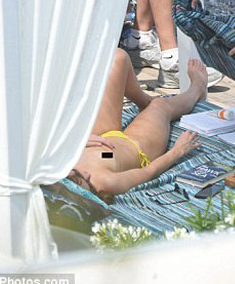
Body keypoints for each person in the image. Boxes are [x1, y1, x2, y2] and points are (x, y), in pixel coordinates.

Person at [68, 48, 207, 203]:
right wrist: (178, 150)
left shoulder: (56, 169)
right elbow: (149, 172)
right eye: (82, 182)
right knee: (160, 106)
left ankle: (145, 102)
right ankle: (197, 89)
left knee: (117, 58)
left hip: (103, 141)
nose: (83, 175)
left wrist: (78, 142)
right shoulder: (105, 182)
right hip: (135, 147)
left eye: (74, 177)